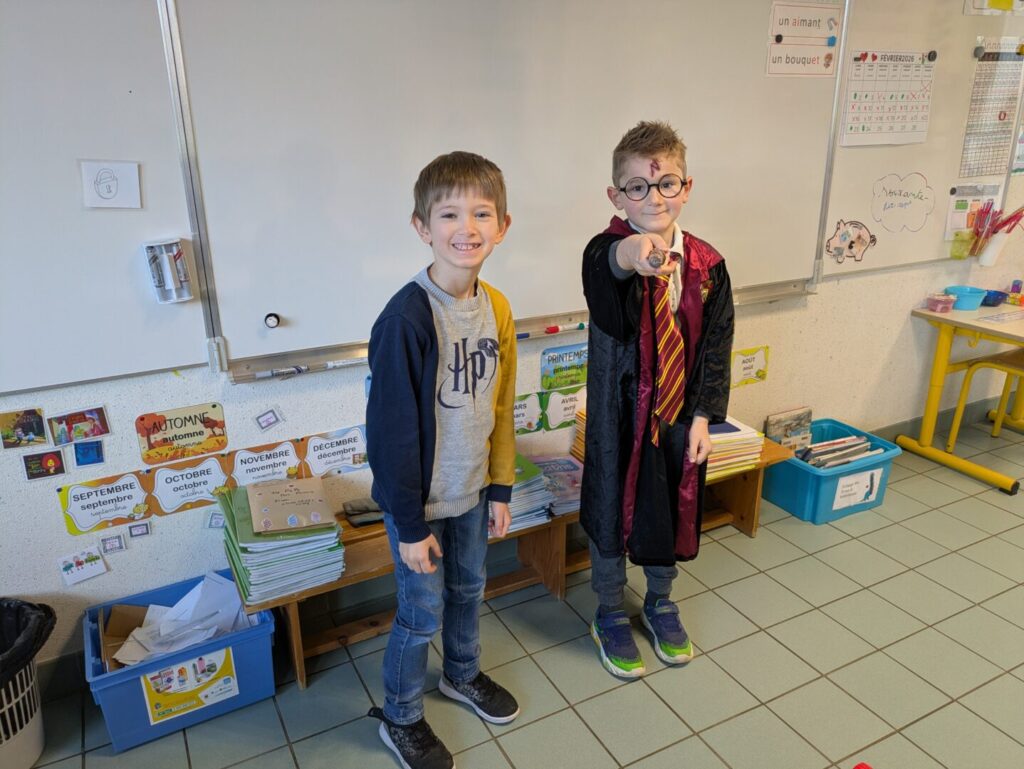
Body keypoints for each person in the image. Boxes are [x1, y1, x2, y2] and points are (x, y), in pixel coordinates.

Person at [366, 151, 520, 769]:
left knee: (469, 589)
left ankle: (461, 674)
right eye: (450, 214)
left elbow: (502, 405)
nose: (467, 227)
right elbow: (390, 435)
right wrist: (408, 525)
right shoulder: (407, 318)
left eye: (482, 213)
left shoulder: (497, 307)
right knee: (421, 612)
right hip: (420, 506)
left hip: (473, 490)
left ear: (502, 225)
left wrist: (501, 487)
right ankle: (400, 716)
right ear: (422, 226)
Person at [580, 120, 735, 678]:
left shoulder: (708, 265)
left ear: (686, 188)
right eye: (638, 187)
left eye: (666, 183)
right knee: (610, 507)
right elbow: (613, 266)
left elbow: (716, 345)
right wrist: (634, 255)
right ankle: (608, 608)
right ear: (616, 195)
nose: (654, 197)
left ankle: (660, 600)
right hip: (618, 417)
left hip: (677, 418)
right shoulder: (604, 252)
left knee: (671, 504)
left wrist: (703, 418)